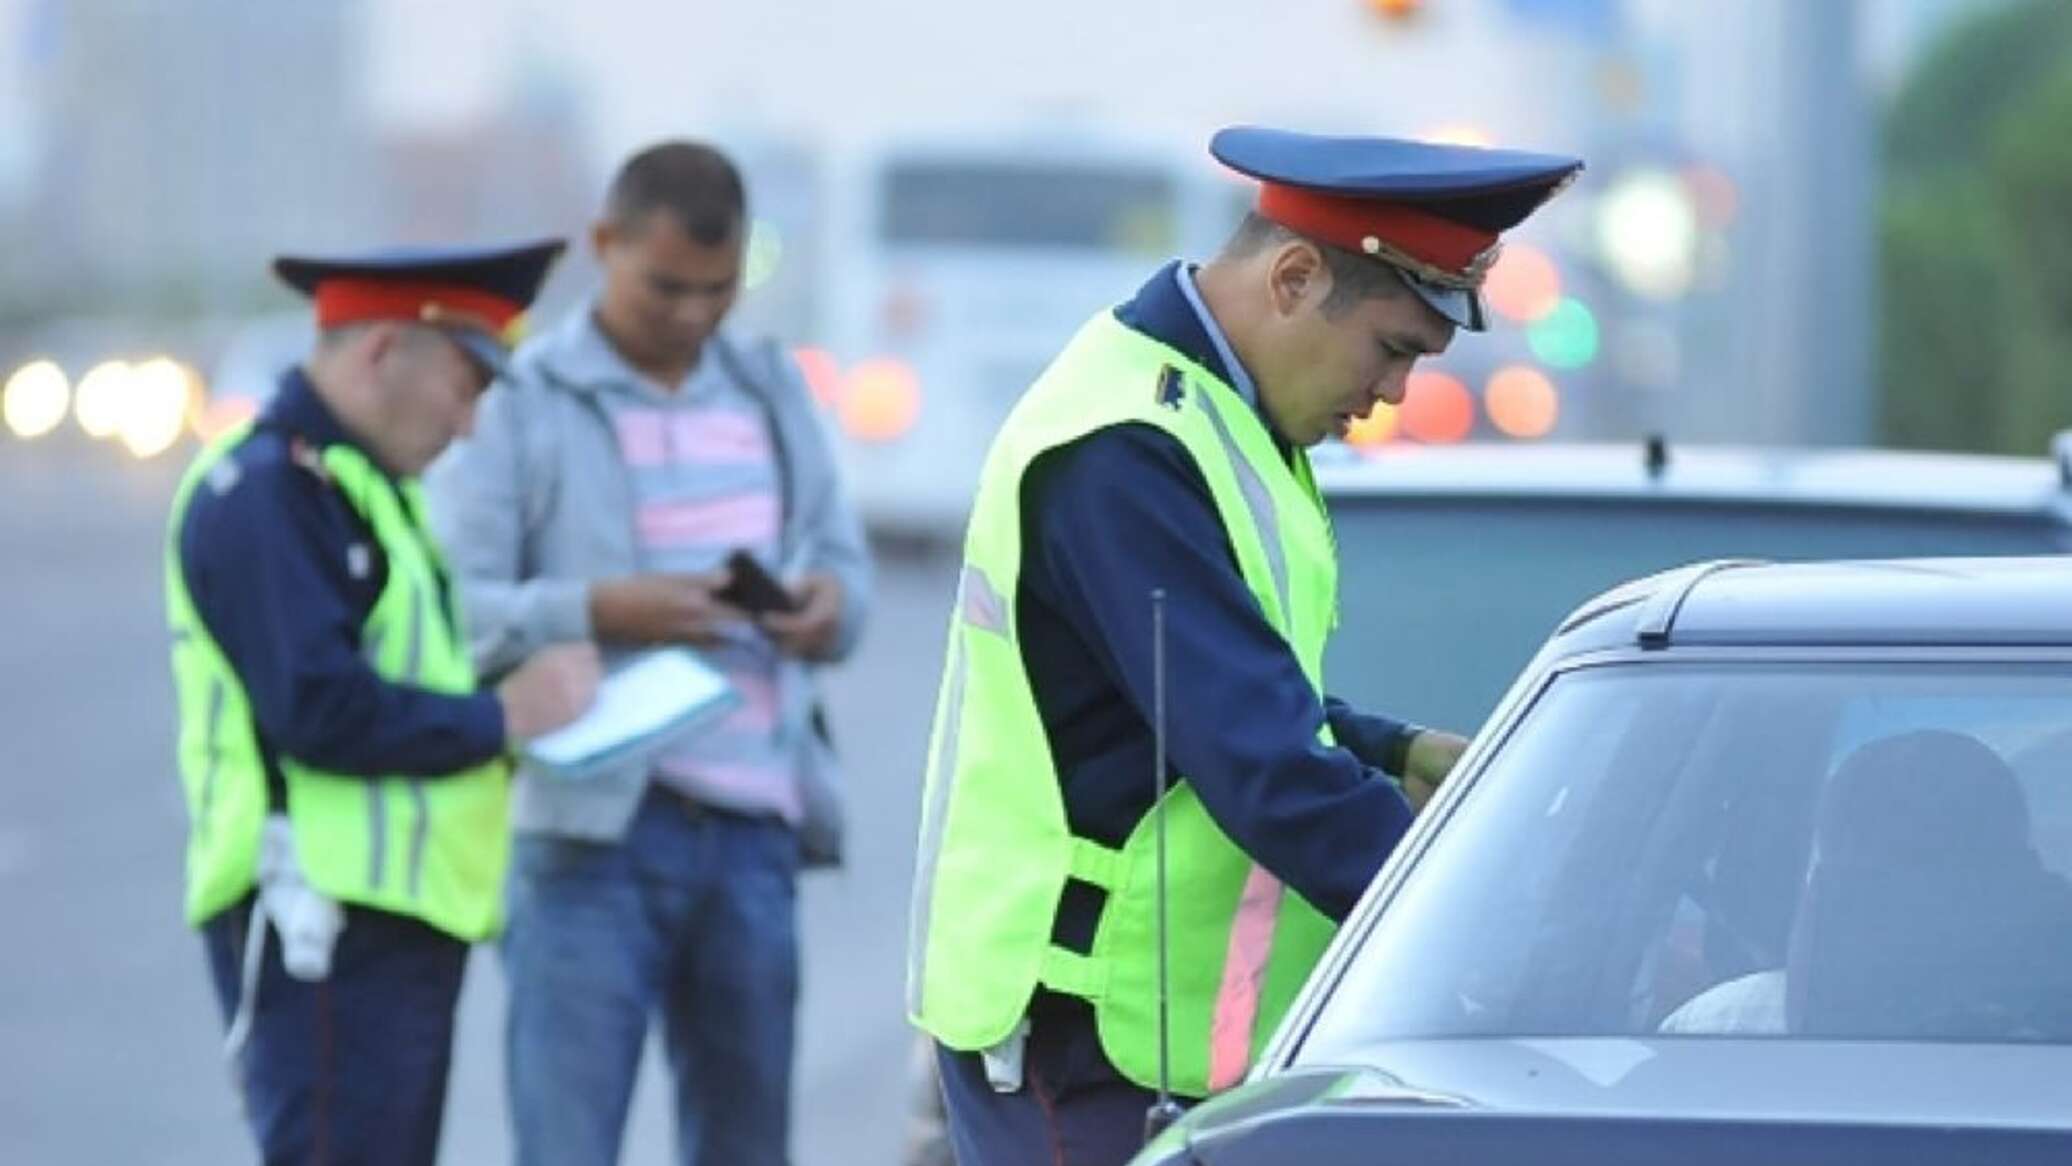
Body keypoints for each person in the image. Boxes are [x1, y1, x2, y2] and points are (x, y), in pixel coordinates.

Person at [905, 125, 1582, 1165]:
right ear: (1295, 276)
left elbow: (1222, 686)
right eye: (1393, 347)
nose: (1395, 392)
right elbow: (1261, 761)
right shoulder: (1126, 446)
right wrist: (1484, 912)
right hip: (1083, 1040)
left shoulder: (1218, 414)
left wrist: (1391, 749)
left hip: (1157, 1037)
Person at [425, 141, 872, 1166]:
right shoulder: (523, 400)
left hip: (755, 839)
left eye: (715, 291)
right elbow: (455, 607)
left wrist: (818, 608)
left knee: (745, 1145)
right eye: (664, 285)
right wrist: (605, 607)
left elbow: (849, 579)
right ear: (603, 245)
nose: (689, 314)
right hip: (591, 844)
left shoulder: (768, 388)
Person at [165, 239, 601, 1165]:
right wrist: (506, 715)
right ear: (380, 354)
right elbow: (317, 709)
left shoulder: (360, 491)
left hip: (386, 924)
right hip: (318, 923)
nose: (471, 424)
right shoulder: (269, 494)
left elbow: (400, 678)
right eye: (466, 386)